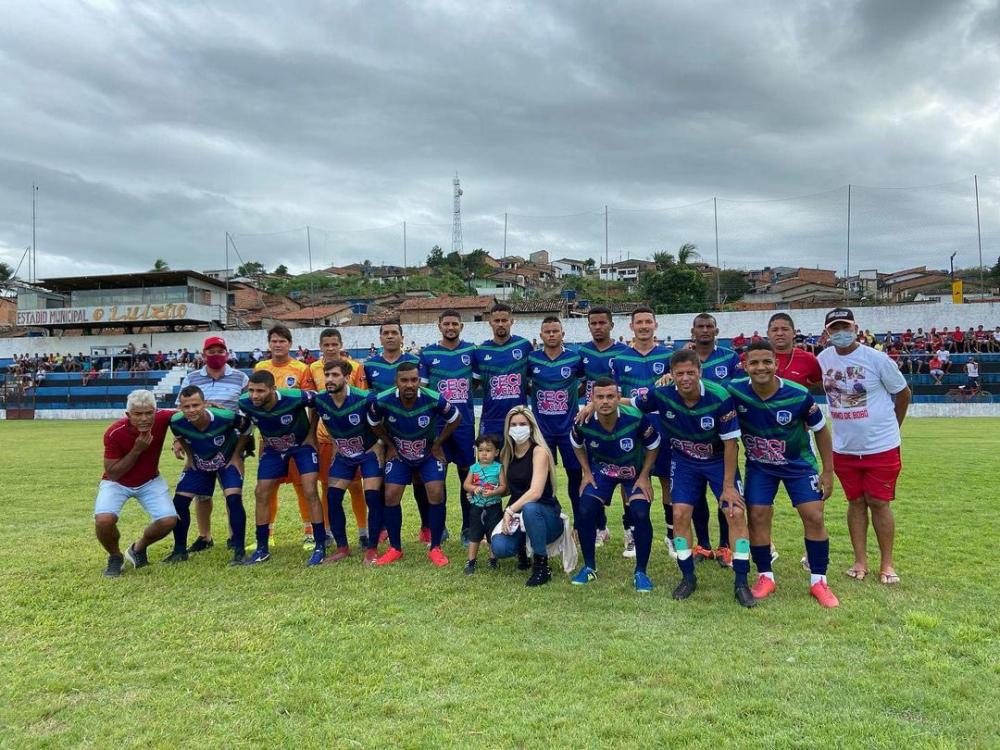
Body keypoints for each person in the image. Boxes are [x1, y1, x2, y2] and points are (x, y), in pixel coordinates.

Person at [633, 349, 755, 607]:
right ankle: (688, 577)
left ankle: (741, 582)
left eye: (691, 372)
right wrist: (591, 405)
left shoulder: (719, 396)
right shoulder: (661, 394)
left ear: (700, 372)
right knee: (679, 515)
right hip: (685, 461)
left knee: (734, 512)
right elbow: (630, 403)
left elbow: (732, 444)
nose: (685, 378)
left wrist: (729, 486)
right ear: (672, 375)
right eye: (679, 373)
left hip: (718, 460)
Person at [730, 342, 839, 608]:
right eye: (754, 363)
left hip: (798, 466)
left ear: (776, 364)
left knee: (814, 516)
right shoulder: (734, 391)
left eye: (767, 362)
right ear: (745, 366)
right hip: (760, 466)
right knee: (757, 516)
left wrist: (827, 470)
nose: (761, 368)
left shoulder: (799, 394)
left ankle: (819, 580)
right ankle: (765, 576)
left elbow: (821, 431)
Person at [819, 308, 910, 586]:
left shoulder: (876, 359)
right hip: (844, 447)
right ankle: (860, 560)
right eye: (834, 328)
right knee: (855, 502)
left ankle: (887, 564)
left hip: (880, 447)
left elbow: (903, 394)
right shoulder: (823, 359)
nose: (840, 333)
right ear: (827, 333)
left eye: (845, 326)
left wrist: (893, 426)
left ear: (856, 327)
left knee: (879, 502)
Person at [367, 362, 461, 567]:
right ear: (396, 382)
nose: (409, 384)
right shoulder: (382, 400)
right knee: (391, 494)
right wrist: (390, 445)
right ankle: (395, 548)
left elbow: (455, 417)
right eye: (404, 380)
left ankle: (435, 547)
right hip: (400, 454)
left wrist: (437, 444)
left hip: (427, 454)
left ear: (419, 380)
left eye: (414, 380)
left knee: (436, 491)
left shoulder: (433, 398)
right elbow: (373, 422)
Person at [571, 377, 660, 592]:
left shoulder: (635, 417)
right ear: (591, 398)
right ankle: (589, 567)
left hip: (634, 473)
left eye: (610, 396)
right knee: (584, 509)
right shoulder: (583, 420)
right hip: (603, 472)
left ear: (619, 398)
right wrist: (586, 471)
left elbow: (654, 444)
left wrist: (645, 475)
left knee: (639, 513)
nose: (605, 401)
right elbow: (576, 443)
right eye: (599, 397)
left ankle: (641, 572)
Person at [238, 370, 327, 566]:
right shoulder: (244, 402)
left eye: (260, 391)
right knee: (261, 492)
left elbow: (319, 402)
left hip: (302, 446)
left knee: (310, 489)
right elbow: (244, 425)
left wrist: (312, 432)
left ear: (273, 389)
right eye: (251, 390)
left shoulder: (295, 396)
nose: (254, 395)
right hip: (273, 448)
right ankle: (262, 548)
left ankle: (320, 545)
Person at [173, 335, 249, 553]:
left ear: (227, 353)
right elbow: (181, 409)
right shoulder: (192, 378)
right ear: (203, 354)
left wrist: (223, 414)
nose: (216, 355)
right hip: (199, 443)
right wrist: (179, 441)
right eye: (211, 351)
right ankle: (204, 536)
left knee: (232, 491)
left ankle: (234, 536)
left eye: (220, 351)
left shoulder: (240, 377)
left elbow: (246, 409)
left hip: (230, 441)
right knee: (201, 494)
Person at [609, 306, 673, 559]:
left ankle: (670, 535)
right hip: (633, 429)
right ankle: (633, 534)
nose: (644, 326)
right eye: (639, 322)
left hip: (665, 427)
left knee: (668, 480)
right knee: (631, 481)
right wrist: (638, 401)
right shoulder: (621, 359)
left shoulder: (669, 357)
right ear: (631, 327)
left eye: (648, 321)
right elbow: (614, 396)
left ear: (655, 325)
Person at [93, 390, 177, 577]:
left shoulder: (162, 418)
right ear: (128, 415)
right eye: (138, 414)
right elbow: (113, 473)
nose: (144, 418)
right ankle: (115, 556)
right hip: (117, 482)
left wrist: (178, 438)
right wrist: (137, 450)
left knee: (168, 521)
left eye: (149, 413)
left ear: (156, 411)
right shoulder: (114, 433)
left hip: (150, 480)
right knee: (104, 520)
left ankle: (138, 549)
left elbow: (186, 414)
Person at [167, 386, 252, 566]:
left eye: (195, 405)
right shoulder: (176, 421)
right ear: (180, 408)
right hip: (200, 464)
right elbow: (179, 435)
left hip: (227, 462)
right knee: (179, 503)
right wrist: (190, 457)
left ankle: (239, 551)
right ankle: (179, 550)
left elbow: (247, 427)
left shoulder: (225, 417)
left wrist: (237, 455)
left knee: (233, 499)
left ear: (205, 403)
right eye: (186, 407)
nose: (191, 410)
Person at [364, 322, 433, 542]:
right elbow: (367, 399)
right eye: (386, 333)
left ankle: (426, 526)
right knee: (386, 478)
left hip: (411, 430)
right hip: (382, 431)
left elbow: (424, 394)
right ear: (380, 337)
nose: (390, 336)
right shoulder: (370, 365)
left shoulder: (414, 362)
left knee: (418, 478)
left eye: (395, 333)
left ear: (402, 337)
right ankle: (384, 526)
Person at [312, 359, 383, 564]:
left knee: (372, 495)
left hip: (369, 453)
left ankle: (372, 548)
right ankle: (342, 547)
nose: (330, 379)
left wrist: (380, 443)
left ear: (347, 377)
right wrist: (325, 442)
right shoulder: (320, 400)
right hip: (343, 455)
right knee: (333, 497)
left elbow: (382, 420)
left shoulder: (366, 398)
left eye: (335, 375)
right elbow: (313, 416)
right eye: (327, 375)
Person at [688, 312, 744, 566]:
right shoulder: (683, 358)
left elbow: (739, 389)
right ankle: (702, 544)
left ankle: (724, 546)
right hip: (690, 435)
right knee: (696, 495)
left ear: (716, 331)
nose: (704, 330)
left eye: (709, 326)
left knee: (725, 491)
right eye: (700, 326)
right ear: (693, 331)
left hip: (722, 437)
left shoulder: (730, 357)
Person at [254, 325, 317, 547]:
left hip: (297, 438)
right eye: (274, 341)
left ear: (290, 344)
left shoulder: (301, 368)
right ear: (269, 344)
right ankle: (268, 534)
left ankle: (309, 532)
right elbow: (256, 404)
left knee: (303, 485)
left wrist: (311, 435)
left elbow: (311, 403)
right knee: (269, 485)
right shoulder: (261, 367)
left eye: (282, 341)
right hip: (271, 439)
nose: (278, 345)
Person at [419, 310, 477, 546]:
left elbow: (480, 381)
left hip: (464, 425)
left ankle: (467, 529)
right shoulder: (427, 354)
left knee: (467, 477)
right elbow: (422, 391)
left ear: (461, 326)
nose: (450, 327)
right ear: (439, 326)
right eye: (446, 324)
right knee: (436, 479)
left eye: (454, 324)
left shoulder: (471, 351)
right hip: (437, 427)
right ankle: (438, 528)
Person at [489, 406, 564, 587]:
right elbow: (507, 489)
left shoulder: (540, 452)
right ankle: (523, 550)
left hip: (545, 515)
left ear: (531, 427)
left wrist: (509, 510)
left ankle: (541, 566)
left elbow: (535, 492)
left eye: (522, 424)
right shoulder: (507, 453)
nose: (518, 428)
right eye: (513, 424)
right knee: (500, 547)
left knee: (530, 508)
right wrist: (486, 488)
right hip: (518, 515)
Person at [310, 328, 371, 548]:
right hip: (327, 438)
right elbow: (313, 405)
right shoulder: (312, 369)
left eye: (334, 344)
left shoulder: (355, 367)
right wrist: (312, 438)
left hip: (355, 439)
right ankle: (328, 532)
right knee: (327, 487)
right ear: (320, 346)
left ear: (340, 344)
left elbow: (363, 400)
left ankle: (363, 531)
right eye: (326, 344)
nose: (330, 348)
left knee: (356, 485)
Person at [577, 306, 631, 548]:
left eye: (602, 323)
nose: (598, 327)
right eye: (593, 323)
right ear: (588, 326)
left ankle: (630, 530)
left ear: (611, 325)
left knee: (626, 475)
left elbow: (627, 390)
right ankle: (600, 527)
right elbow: (576, 383)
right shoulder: (582, 353)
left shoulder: (624, 353)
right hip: (592, 423)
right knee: (593, 473)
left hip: (619, 423)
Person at [527, 316, 585, 533]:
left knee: (575, 475)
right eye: (547, 331)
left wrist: (569, 397)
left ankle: (581, 524)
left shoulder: (574, 359)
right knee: (544, 479)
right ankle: (549, 521)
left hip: (569, 429)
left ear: (563, 334)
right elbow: (524, 384)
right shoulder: (531, 359)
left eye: (555, 331)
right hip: (542, 431)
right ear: (541, 335)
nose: (551, 335)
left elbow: (584, 383)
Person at [473, 302, 534, 436]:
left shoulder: (524, 346)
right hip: (491, 418)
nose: (500, 324)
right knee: (489, 456)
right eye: (497, 320)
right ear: (490, 322)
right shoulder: (481, 351)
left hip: (519, 418)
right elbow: (473, 385)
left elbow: (531, 380)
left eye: (504, 320)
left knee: (521, 457)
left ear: (511, 321)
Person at [462, 434, 507, 575]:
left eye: (488, 450)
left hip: (493, 507)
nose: (484, 454)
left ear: (496, 452)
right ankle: (471, 561)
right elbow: (466, 485)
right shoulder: (473, 468)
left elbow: (503, 486)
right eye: (481, 450)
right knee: (474, 535)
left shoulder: (498, 468)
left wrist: (494, 492)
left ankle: (493, 559)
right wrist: (474, 488)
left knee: (492, 534)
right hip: (477, 507)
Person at [765, 313, 822, 389]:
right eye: (774, 330)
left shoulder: (809, 359)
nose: (779, 333)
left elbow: (821, 387)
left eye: (785, 329)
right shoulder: (753, 357)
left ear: (794, 333)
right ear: (768, 334)